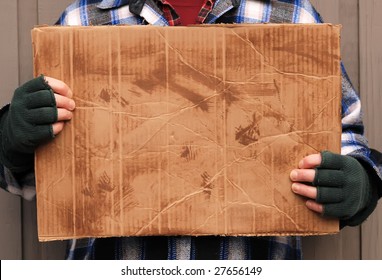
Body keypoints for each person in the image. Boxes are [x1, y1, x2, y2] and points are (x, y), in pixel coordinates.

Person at [0, 0, 381, 260]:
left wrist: (358, 183)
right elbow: (42, 178)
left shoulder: (291, 15)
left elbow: (348, 144)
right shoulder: (81, 21)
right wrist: (14, 139)